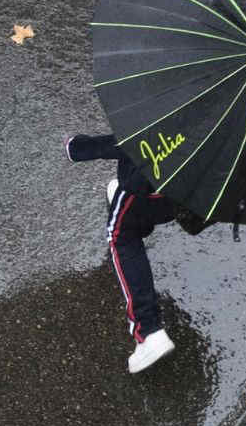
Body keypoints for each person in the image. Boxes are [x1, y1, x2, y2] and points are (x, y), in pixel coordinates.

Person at [65, 133, 178, 373]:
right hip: (197, 194)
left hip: (151, 189)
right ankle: (140, 217)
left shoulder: (182, 102)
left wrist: (82, 149)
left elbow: (137, 140)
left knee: (121, 235)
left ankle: (148, 331)